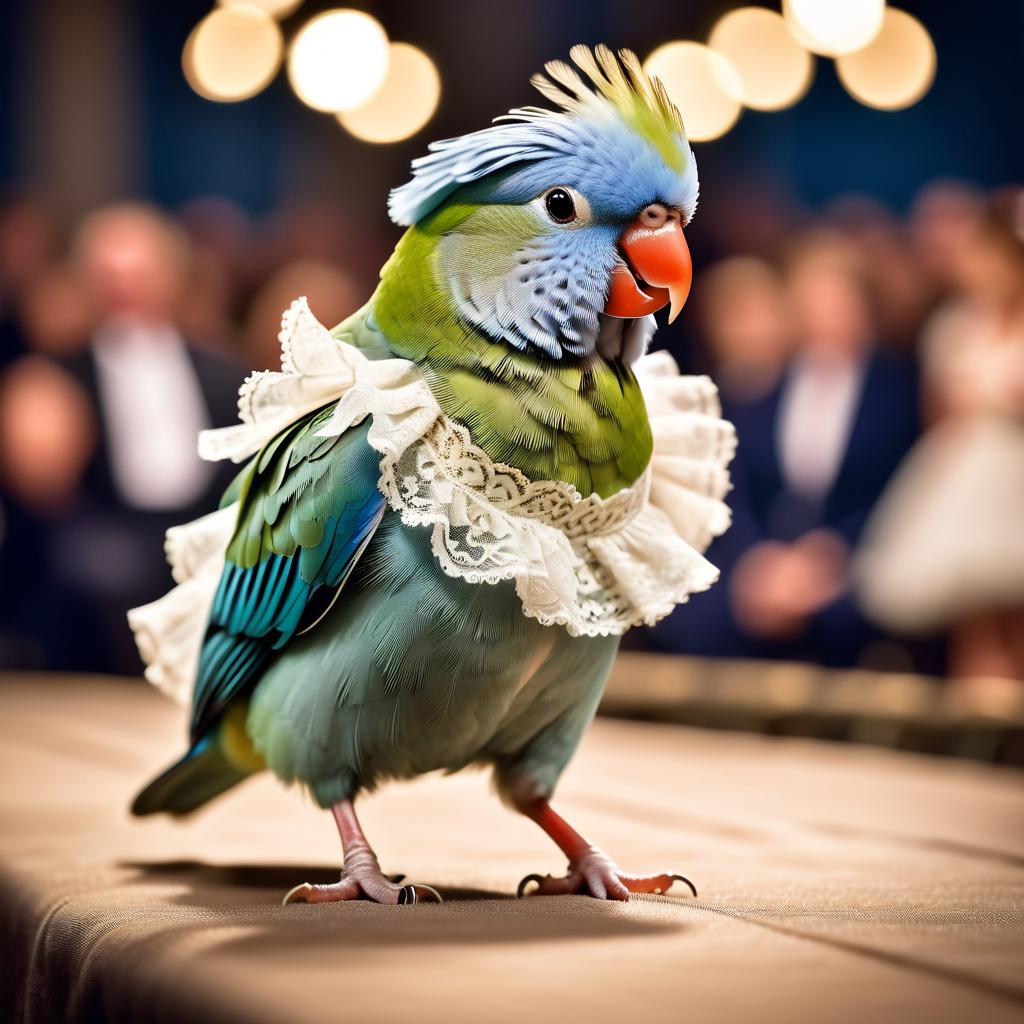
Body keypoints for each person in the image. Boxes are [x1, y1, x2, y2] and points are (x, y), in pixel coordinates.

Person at [55, 202, 242, 672]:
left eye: (137, 273)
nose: (124, 288)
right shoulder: (59, 378)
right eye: (109, 275)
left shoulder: (221, 371)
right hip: (110, 529)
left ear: (172, 278)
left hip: (205, 523)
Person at [719, 232, 920, 667]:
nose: (824, 312)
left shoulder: (897, 390)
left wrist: (831, 556)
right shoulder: (766, 387)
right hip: (771, 562)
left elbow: (902, 492)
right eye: (812, 299)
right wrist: (759, 560)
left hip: (860, 559)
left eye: (835, 297)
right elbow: (743, 492)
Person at [856, 196, 1024, 681]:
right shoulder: (953, 327)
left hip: (1014, 473)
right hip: (964, 471)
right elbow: (937, 411)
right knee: (974, 618)